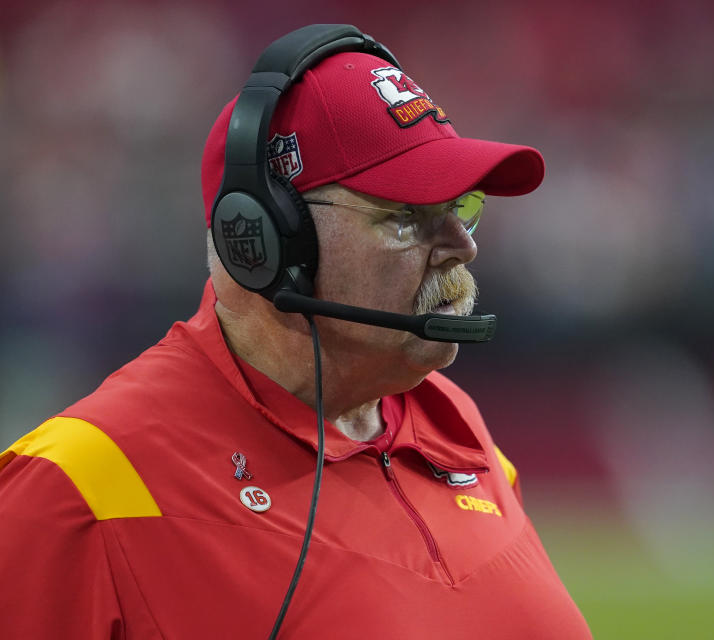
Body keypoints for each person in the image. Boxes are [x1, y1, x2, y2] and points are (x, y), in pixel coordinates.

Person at [0, 25, 592, 639]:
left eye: (460, 207)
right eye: (407, 217)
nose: (460, 245)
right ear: (264, 241)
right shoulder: (81, 488)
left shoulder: (461, 433)